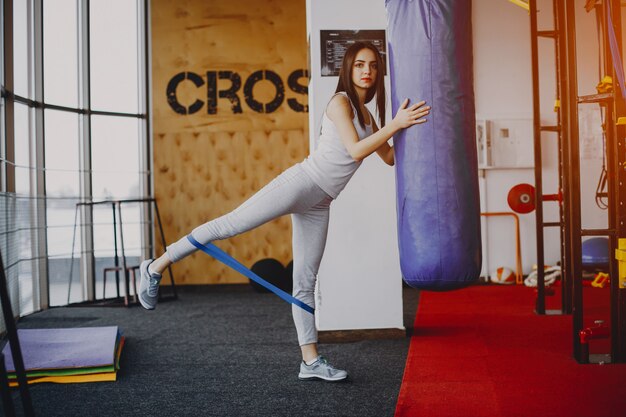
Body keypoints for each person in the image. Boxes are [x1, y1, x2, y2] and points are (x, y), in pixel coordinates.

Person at [138, 41, 430, 382]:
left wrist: (413, 128)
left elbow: (390, 156)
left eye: (373, 66)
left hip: (321, 201)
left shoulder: (369, 117)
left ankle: (310, 361)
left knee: (306, 281)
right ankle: (156, 265)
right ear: (348, 70)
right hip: (302, 183)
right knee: (229, 225)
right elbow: (354, 151)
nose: (367, 71)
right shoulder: (341, 103)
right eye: (359, 65)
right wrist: (395, 125)